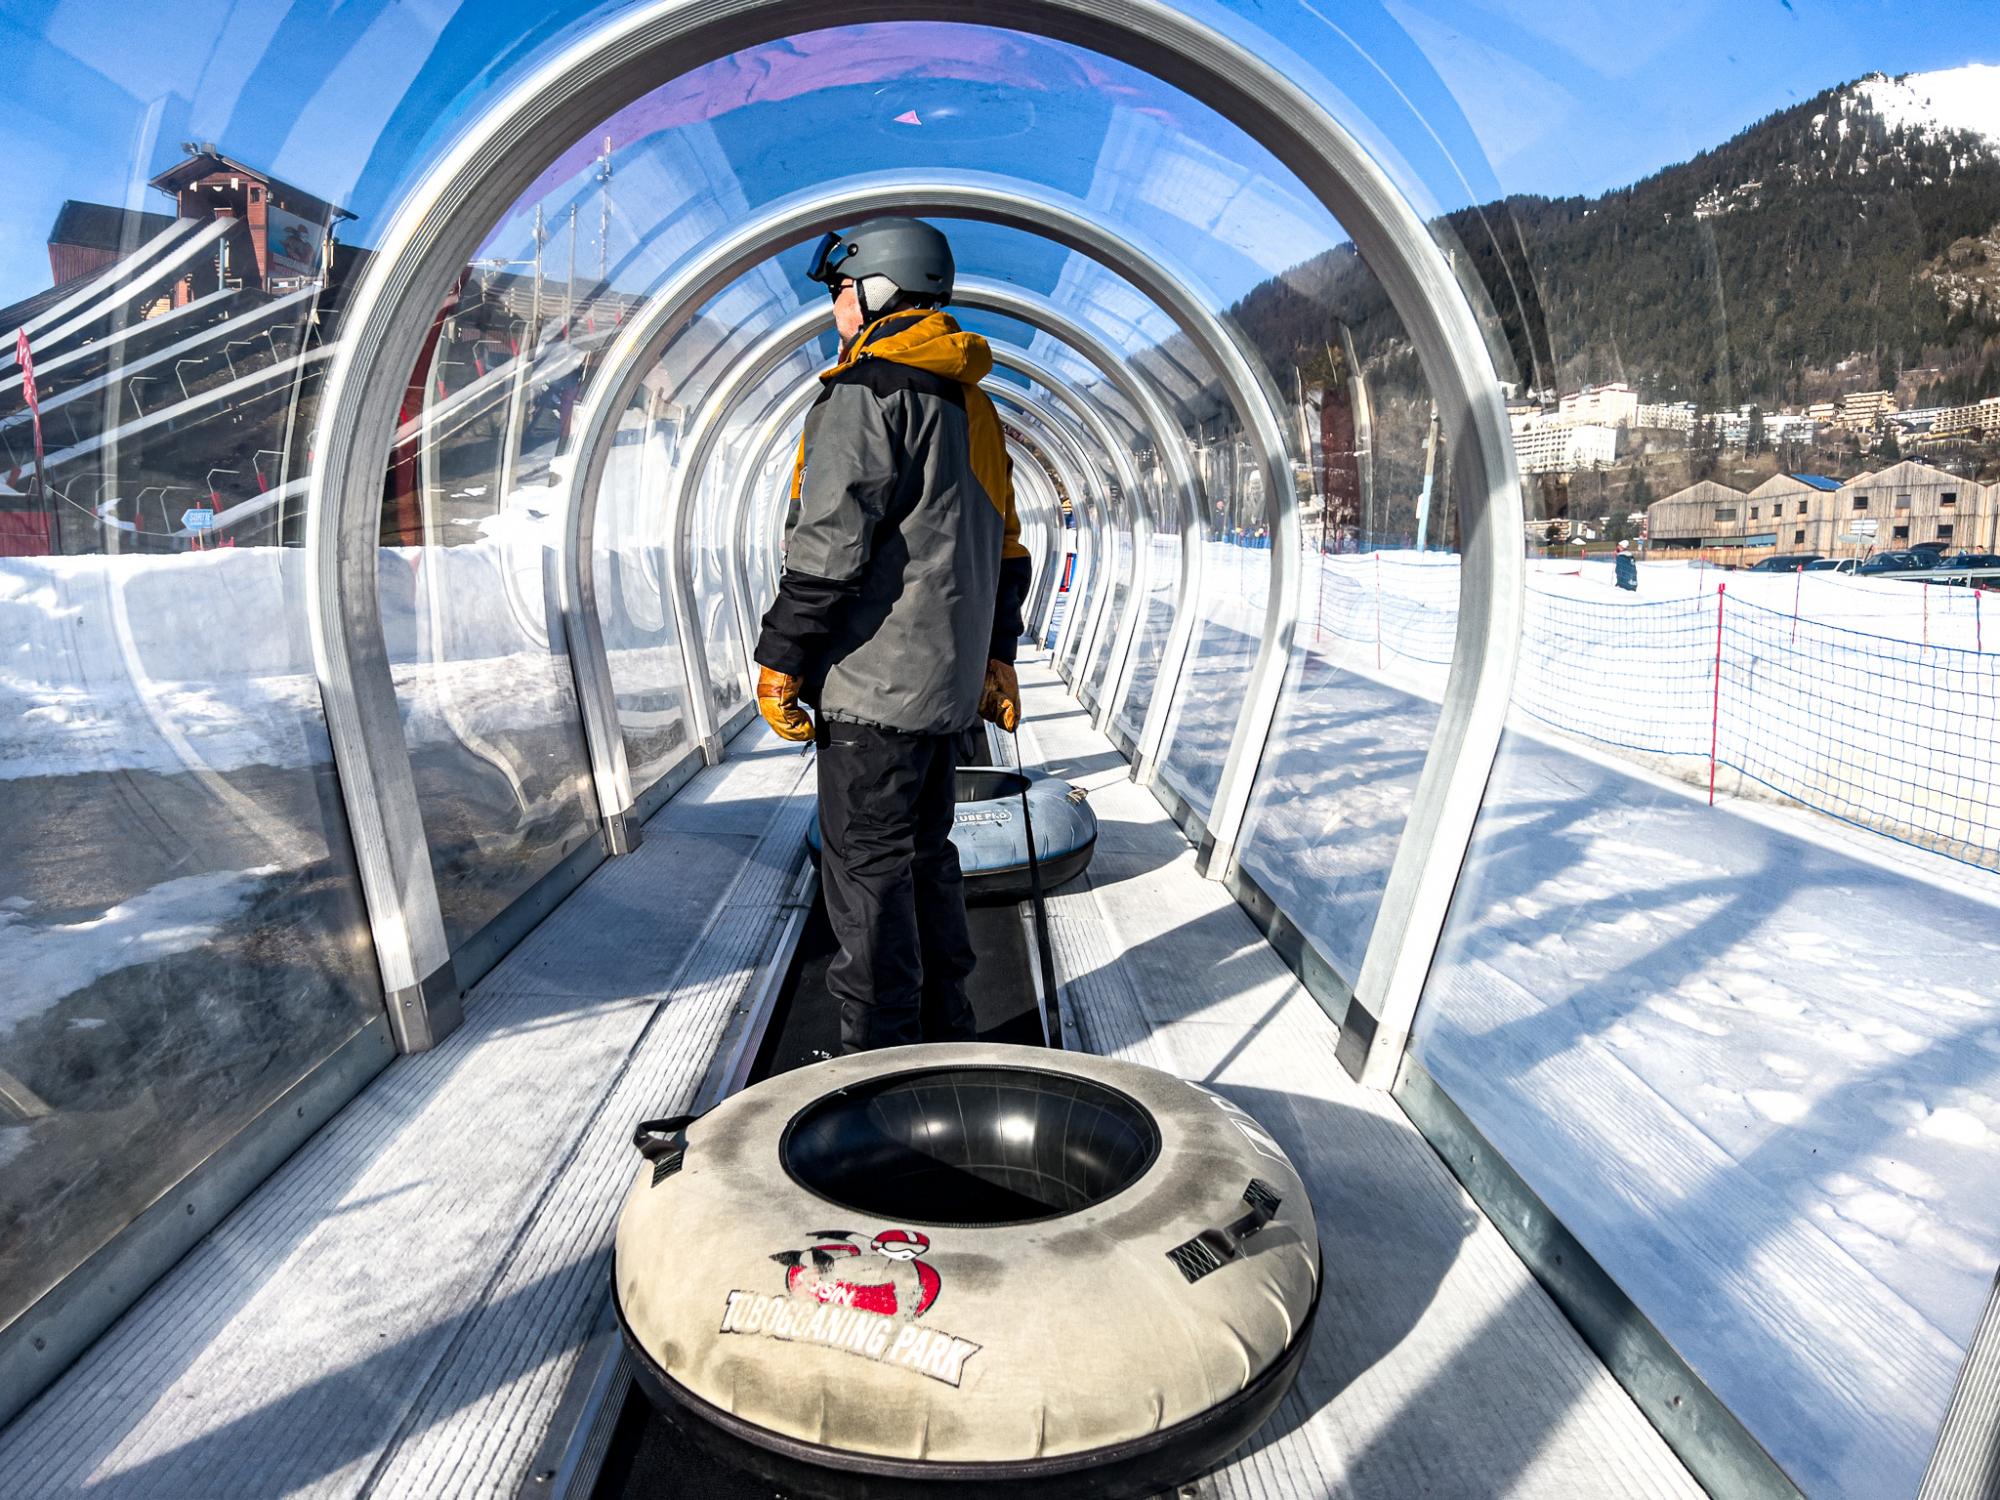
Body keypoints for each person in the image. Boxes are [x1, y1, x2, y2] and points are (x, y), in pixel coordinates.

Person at [752, 217, 1033, 1054]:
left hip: (873, 692)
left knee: (866, 874)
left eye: (841, 289)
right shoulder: (972, 403)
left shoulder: (864, 393)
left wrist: (781, 660)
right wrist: (997, 655)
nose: (836, 306)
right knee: (925, 857)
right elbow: (1006, 545)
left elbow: (829, 547)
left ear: (879, 290)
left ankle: (876, 1058)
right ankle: (947, 1028)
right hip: (943, 693)